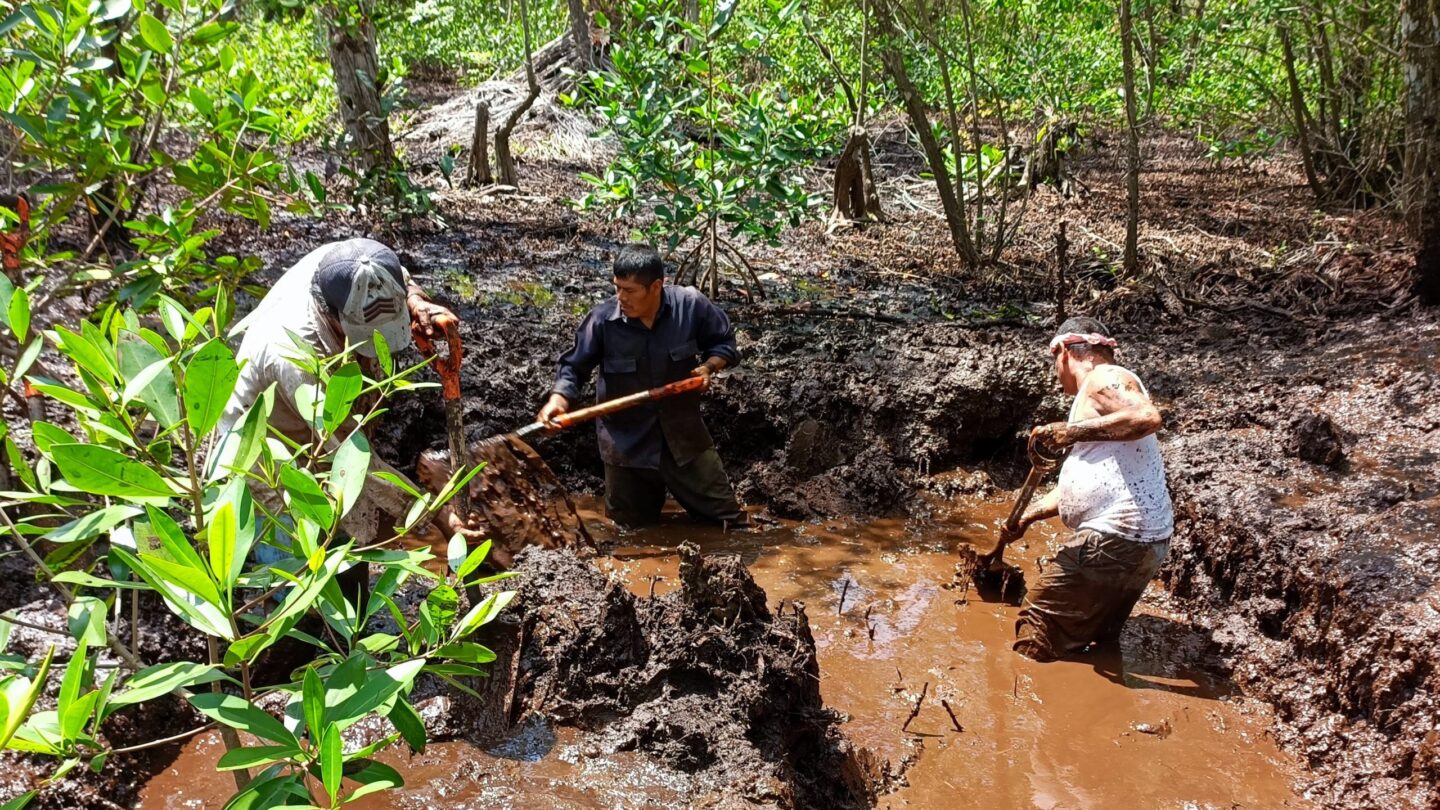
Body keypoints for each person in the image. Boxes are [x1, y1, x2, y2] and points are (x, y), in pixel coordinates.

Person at [213, 238, 480, 603]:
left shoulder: (354, 265)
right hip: (267, 451)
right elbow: (354, 461)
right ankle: (283, 646)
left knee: (351, 544)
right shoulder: (295, 354)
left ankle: (351, 630)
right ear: (333, 315)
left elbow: (397, 274)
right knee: (294, 588)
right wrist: (438, 515)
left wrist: (416, 302)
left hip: (327, 430)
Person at [1001, 316, 1174, 661]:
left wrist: (1071, 432)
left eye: (1054, 361)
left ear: (1064, 352)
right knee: (1095, 641)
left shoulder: (1104, 378)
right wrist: (1027, 518)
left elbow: (1147, 418)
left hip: (1114, 536)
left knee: (1035, 629)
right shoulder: (1097, 402)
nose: (1055, 371)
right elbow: (1086, 482)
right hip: (1146, 543)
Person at [537, 243, 745, 527]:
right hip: (627, 446)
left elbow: (724, 343)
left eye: (630, 290)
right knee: (627, 533)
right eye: (617, 288)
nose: (621, 297)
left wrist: (709, 367)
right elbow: (574, 366)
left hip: (684, 438)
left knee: (731, 522)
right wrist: (558, 401)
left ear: (656, 286)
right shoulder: (602, 320)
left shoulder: (690, 305)